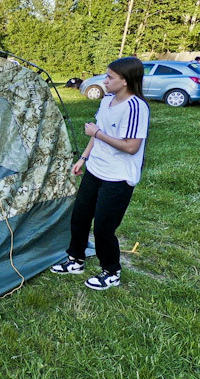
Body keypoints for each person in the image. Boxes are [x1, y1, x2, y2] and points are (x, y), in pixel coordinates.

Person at [50, 56, 149, 290]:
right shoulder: (107, 100)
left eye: (110, 77)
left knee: (104, 227)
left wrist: (97, 134)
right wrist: (83, 158)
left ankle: (111, 272)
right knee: (80, 216)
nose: (105, 81)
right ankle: (76, 260)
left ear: (125, 81)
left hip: (118, 177)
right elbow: (98, 133)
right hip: (96, 169)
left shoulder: (136, 107)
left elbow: (131, 146)